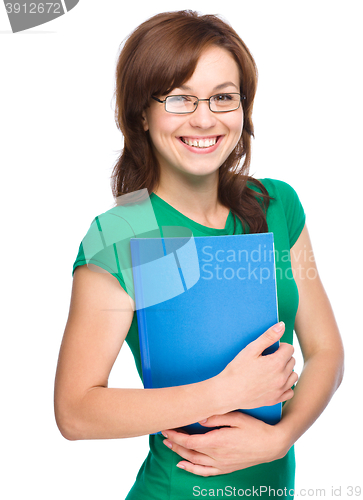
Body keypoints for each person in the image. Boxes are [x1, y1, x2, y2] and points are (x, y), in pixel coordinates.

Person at [54, 10, 344, 500]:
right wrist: (226, 392)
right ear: (141, 113)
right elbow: (75, 412)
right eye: (179, 98)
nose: (205, 118)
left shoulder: (276, 205)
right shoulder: (122, 232)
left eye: (222, 97)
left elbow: (326, 351)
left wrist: (279, 439)